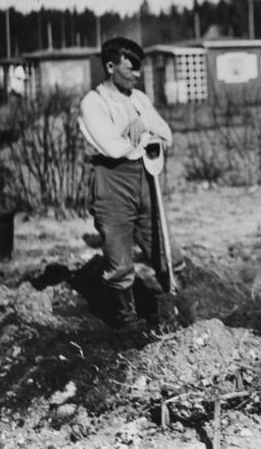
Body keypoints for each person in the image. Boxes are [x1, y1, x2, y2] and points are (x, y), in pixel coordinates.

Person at [78, 37, 183, 329]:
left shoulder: (139, 99)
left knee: (163, 246)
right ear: (110, 67)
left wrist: (144, 124)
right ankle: (125, 322)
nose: (137, 75)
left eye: (139, 68)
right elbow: (113, 148)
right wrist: (145, 132)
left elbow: (166, 134)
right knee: (119, 257)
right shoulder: (93, 103)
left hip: (145, 176)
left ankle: (179, 304)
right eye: (130, 68)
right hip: (112, 181)